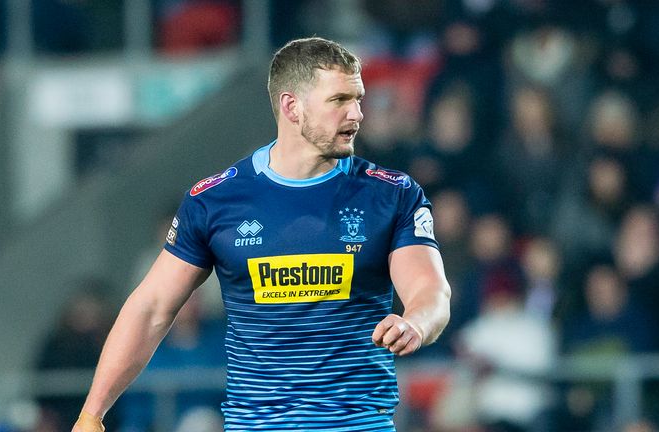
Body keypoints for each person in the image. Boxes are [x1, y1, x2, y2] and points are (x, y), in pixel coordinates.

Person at [72, 36, 452, 432]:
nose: (356, 113)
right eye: (339, 100)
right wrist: (90, 415)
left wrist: (415, 323)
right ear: (291, 106)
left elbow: (430, 290)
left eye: (358, 99)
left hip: (358, 425)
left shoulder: (391, 194)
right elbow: (151, 308)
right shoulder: (215, 201)